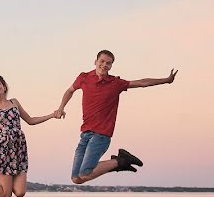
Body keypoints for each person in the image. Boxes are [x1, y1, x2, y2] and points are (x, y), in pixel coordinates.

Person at [56, 50, 177, 184]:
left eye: (108, 63)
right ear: (95, 62)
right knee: (76, 179)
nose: (104, 65)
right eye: (102, 61)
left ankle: (120, 161)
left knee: (85, 173)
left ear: (111, 66)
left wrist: (166, 80)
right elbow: (70, 90)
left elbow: (142, 83)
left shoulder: (115, 83)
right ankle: (119, 163)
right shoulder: (84, 78)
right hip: (85, 133)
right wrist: (61, 107)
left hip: (101, 135)